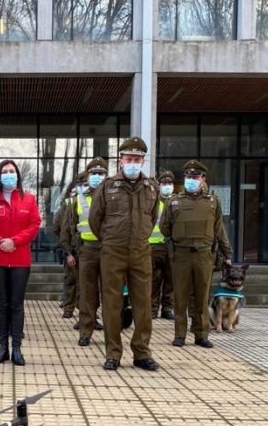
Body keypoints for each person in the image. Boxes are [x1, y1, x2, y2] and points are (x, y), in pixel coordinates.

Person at [88, 137, 160, 371]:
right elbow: (94, 219)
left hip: (140, 251)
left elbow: (153, 219)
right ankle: (113, 353)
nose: (133, 163)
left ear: (143, 161)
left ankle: (141, 352)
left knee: (143, 303)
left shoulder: (151, 187)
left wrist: (139, 237)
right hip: (113, 252)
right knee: (112, 303)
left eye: (137, 159)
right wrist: (110, 240)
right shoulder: (107, 186)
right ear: (120, 161)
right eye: (129, 159)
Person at [160, 159, 233, 349]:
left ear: (203, 179)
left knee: (202, 296)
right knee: (180, 297)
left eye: (195, 177)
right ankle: (180, 335)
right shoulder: (174, 201)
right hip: (181, 254)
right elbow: (164, 228)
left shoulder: (212, 202)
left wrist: (228, 253)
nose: (191, 180)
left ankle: (202, 334)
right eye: (188, 177)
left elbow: (219, 229)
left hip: (203, 254)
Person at [0, 160, 41, 366]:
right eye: (5, 172)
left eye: (12, 171)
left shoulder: (29, 199)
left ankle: (17, 349)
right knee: (2, 304)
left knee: (17, 304)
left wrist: (15, 241)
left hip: (20, 258)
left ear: (18, 176)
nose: (9, 175)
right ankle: (2, 348)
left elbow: (34, 224)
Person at [60, 158, 108, 346]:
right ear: (87, 176)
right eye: (93, 173)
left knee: (110, 294)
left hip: (109, 251)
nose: (97, 177)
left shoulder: (113, 197)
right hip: (86, 250)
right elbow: (68, 227)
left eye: (101, 173)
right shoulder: (77, 200)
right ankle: (85, 332)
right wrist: (69, 252)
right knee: (87, 293)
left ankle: (111, 333)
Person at [150, 170, 176, 320]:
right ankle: (153, 308)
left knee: (171, 278)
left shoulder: (176, 201)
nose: (167, 186)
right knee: (154, 279)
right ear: (159, 186)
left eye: (170, 183)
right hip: (154, 246)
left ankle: (167, 308)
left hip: (172, 247)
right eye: (164, 183)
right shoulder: (153, 202)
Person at [53, 182, 78, 318]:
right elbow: (58, 227)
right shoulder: (67, 205)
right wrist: (66, 246)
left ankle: (70, 307)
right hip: (72, 248)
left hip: (80, 248)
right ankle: (69, 306)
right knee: (71, 279)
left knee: (72, 280)